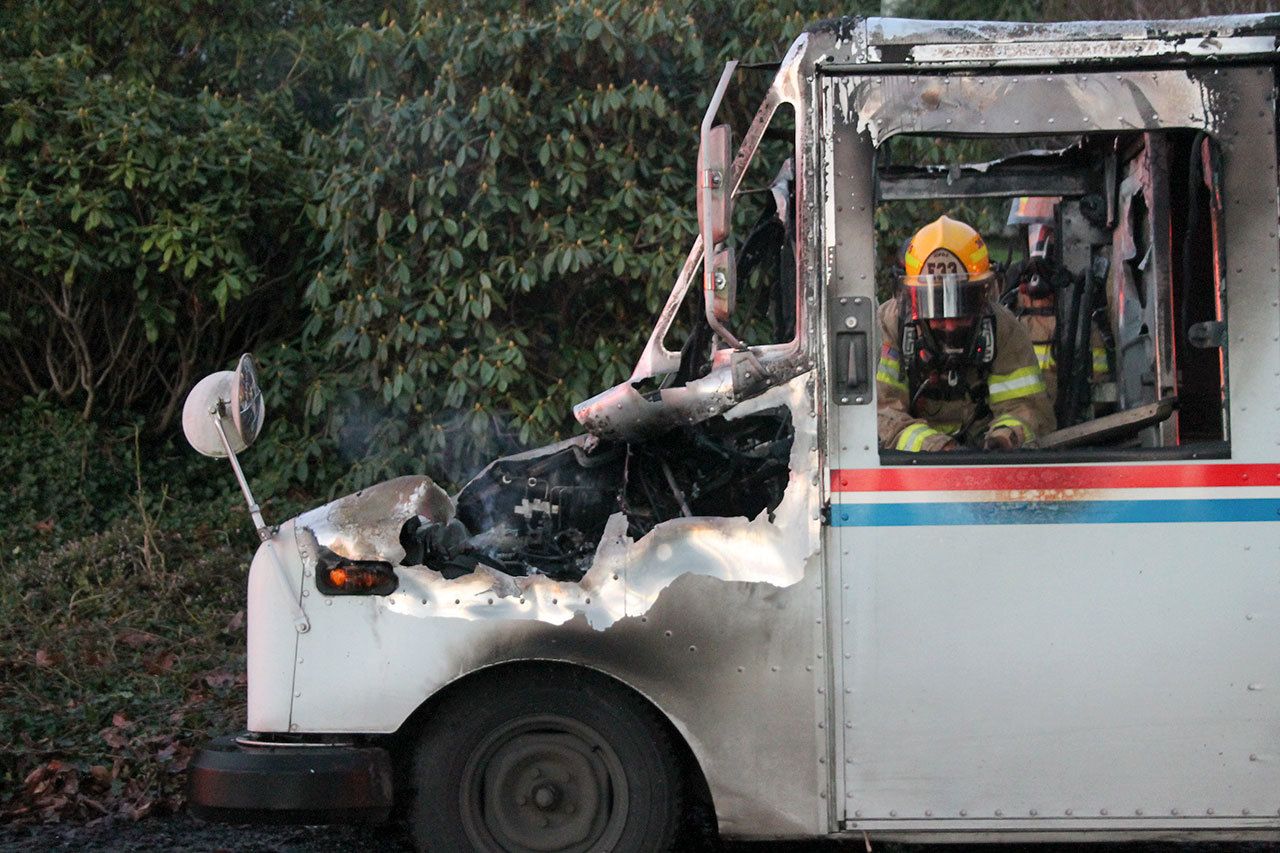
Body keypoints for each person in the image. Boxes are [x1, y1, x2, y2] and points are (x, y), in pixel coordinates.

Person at [876, 215, 1055, 452]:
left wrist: (1004, 438)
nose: (950, 326)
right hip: (912, 471)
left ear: (983, 296)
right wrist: (941, 449)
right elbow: (882, 415)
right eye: (937, 310)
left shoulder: (1004, 329)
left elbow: (1027, 409)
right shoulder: (889, 325)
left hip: (985, 461)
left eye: (962, 309)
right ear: (912, 300)